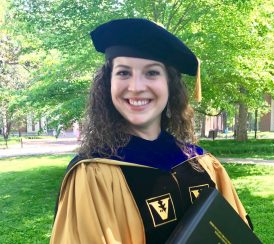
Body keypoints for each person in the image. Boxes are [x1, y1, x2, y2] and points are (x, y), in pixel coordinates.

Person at [50, 18, 252, 244]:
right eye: (124, 73)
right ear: (108, 84)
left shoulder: (202, 164)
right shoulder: (93, 175)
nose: (136, 87)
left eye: (152, 73)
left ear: (169, 85)